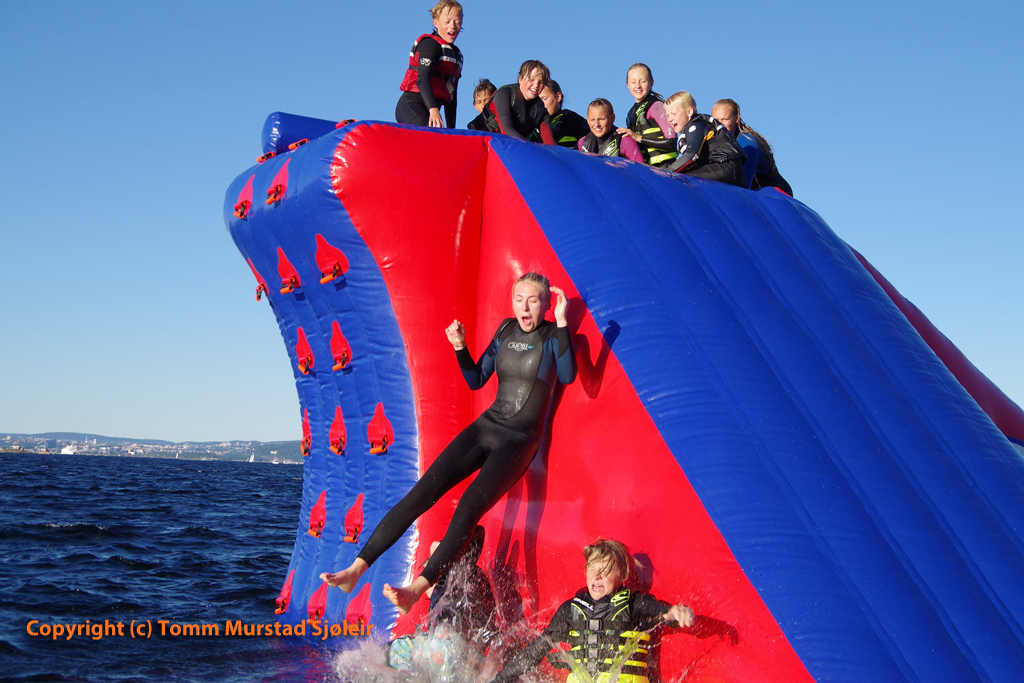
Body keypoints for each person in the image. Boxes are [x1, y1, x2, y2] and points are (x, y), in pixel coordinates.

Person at [321, 272, 576, 614]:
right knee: (422, 492)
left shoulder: (552, 335)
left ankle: (416, 590)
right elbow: (476, 378)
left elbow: (568, 375)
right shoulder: (505, 330)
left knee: (467, 508)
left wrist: (562, 323)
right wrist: (460, 347)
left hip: (519, 439)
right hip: (488, 425)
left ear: (546, 304)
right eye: (519, 300)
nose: (525, 308)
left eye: (533, 301)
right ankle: (355, 569)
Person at [486, 540, 697, 683]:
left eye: (605, 570)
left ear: (622, 575)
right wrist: (500, 680)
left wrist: (677, 612)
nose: (597, 576)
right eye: (592, 568)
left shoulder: (636, 605)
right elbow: (535, 652)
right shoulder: (571, 610)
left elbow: (666, 613)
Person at [385, 526, 496, 680]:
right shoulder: (457, 591)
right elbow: (477, 533)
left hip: (441, 655)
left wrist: (443, 548)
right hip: (454, 657)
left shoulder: (450, 587)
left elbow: (476, 534)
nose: (426, 590)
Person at [395, 1, 464, 129]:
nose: (453, 26)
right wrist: (433, 108)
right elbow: (422, 79)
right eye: (447, 21)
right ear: (436, 22)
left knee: (441, 138)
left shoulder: (456, 57)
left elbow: (452, 98)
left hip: (433, 110)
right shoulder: (429, 45)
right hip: (412, 105)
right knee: (426, 132)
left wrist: (452, 129)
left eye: (457, 22)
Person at [711, 98, 793, 196]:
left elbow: (743, 183)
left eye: (725, 119)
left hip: (775, 195)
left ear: (736, 118)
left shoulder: (748, 144)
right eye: (716, 120)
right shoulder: (720, 141)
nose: (720, 124)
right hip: (757, 193)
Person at [663, 91, 746, 187]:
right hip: (730, 171)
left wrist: (667, 172)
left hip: (727, 168)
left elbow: (690, 156)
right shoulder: (690, 128)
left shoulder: (696, 126)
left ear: (689, 112)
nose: (670, 119)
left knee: (681, 177)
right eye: (667, 115)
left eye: (673, 114)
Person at [616, 64, 677, 167]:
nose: (638, 86)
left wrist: (637, 137)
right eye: (633, 82)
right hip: (647, 170)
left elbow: (671, 143)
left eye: (643, 81)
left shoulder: (657, 106)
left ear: (651, 83)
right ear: (628, 85)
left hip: (666, 168)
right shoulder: (631, 114)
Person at [482, 60, 557, 144]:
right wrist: (529, 147)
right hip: (479, 139)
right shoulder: (504, 95)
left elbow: (550, 142)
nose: (536, 85)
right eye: (531, 79)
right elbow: (507, 130)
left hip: (503, 144)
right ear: (520, 79)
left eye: (541, 82)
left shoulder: (540, 109)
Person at [577, 99, 644, 162]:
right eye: (592, 120)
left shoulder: (625, 142)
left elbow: (641, 169)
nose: (596, 124)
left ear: (612, 118)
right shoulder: (582, 144)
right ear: (587, 120)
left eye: (601, 119)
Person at [540, 80, 589, 148]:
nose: (541, 104)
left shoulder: (571, 119)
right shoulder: (533, 124)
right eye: (538, 100)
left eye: (544, 99)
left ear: (558, 97)